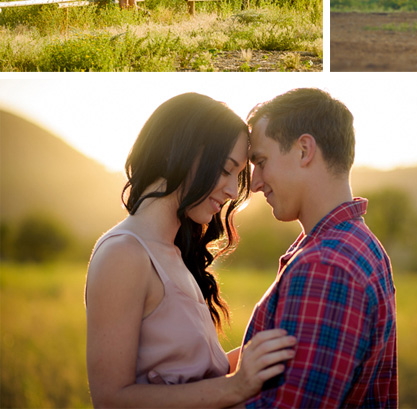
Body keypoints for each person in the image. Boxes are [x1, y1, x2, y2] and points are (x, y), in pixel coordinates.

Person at [86, 93, 297, 408]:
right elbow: (111, 399)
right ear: (180, 153)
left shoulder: (173, 253)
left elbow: (191, 376)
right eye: (226, 169)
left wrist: (271, 348)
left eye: (236, 176)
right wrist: (235, 387)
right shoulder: (124, 254)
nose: (230, 191)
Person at [242, 88, 398, 408]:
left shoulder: (326, 266)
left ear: (303, 150)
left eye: (261, 161)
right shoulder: (357, 243)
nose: (255, 182)